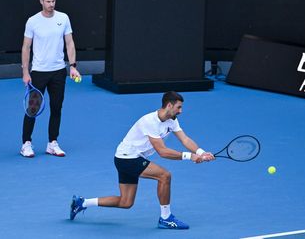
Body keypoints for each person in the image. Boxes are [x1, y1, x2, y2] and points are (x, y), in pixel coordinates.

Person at [70, 91, 215, 229]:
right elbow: (162, 152)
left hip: (128, 157)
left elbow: (185, 139)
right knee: (165, 176)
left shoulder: (172, 120)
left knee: (126, 202)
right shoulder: (150, 121)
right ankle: (166, 218)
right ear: (169, 105)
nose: (181, 111)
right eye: (179, 107)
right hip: (128, 158)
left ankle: (82, 202)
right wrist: (189, 156)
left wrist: (201, 152)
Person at [20, 0, 80, 158]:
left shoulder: (63, 18)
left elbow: (69, 43)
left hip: (58, 72)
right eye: (48, 1)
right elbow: (26, 47)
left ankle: (52, 143)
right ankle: (26, 143)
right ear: (41, 1)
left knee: (56, 108)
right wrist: (25, 71)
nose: (51, 4)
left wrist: (73, 66)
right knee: (33, 108)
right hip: (38, 72)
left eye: (53, 1)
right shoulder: (32, 21)